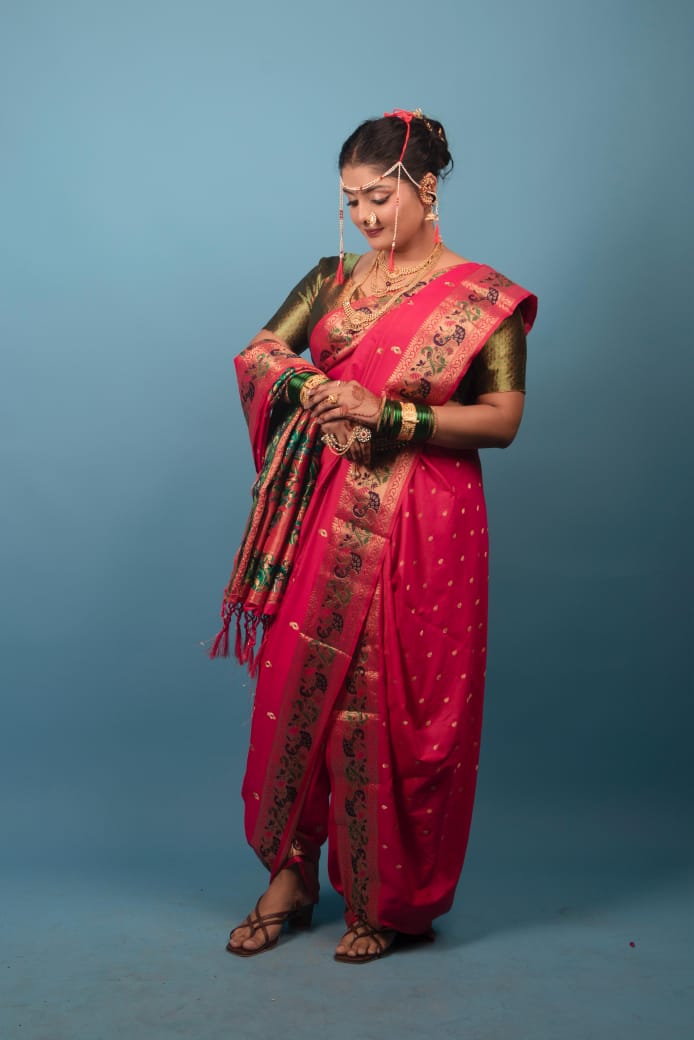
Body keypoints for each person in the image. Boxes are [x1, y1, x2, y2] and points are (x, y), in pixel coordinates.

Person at [212, 109, 537, 963]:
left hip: (426, 517)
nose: (362, 216)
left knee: (396, 699)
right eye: (350, 201)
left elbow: (503, 419)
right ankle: (290, 874)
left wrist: (387, 413)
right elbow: (260, 354)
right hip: (324, 506)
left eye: (378, 198)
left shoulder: (483, 299)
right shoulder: (332, 279)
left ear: (426, 189)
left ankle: (383, 896)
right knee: (298, 682)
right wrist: (314, 391)